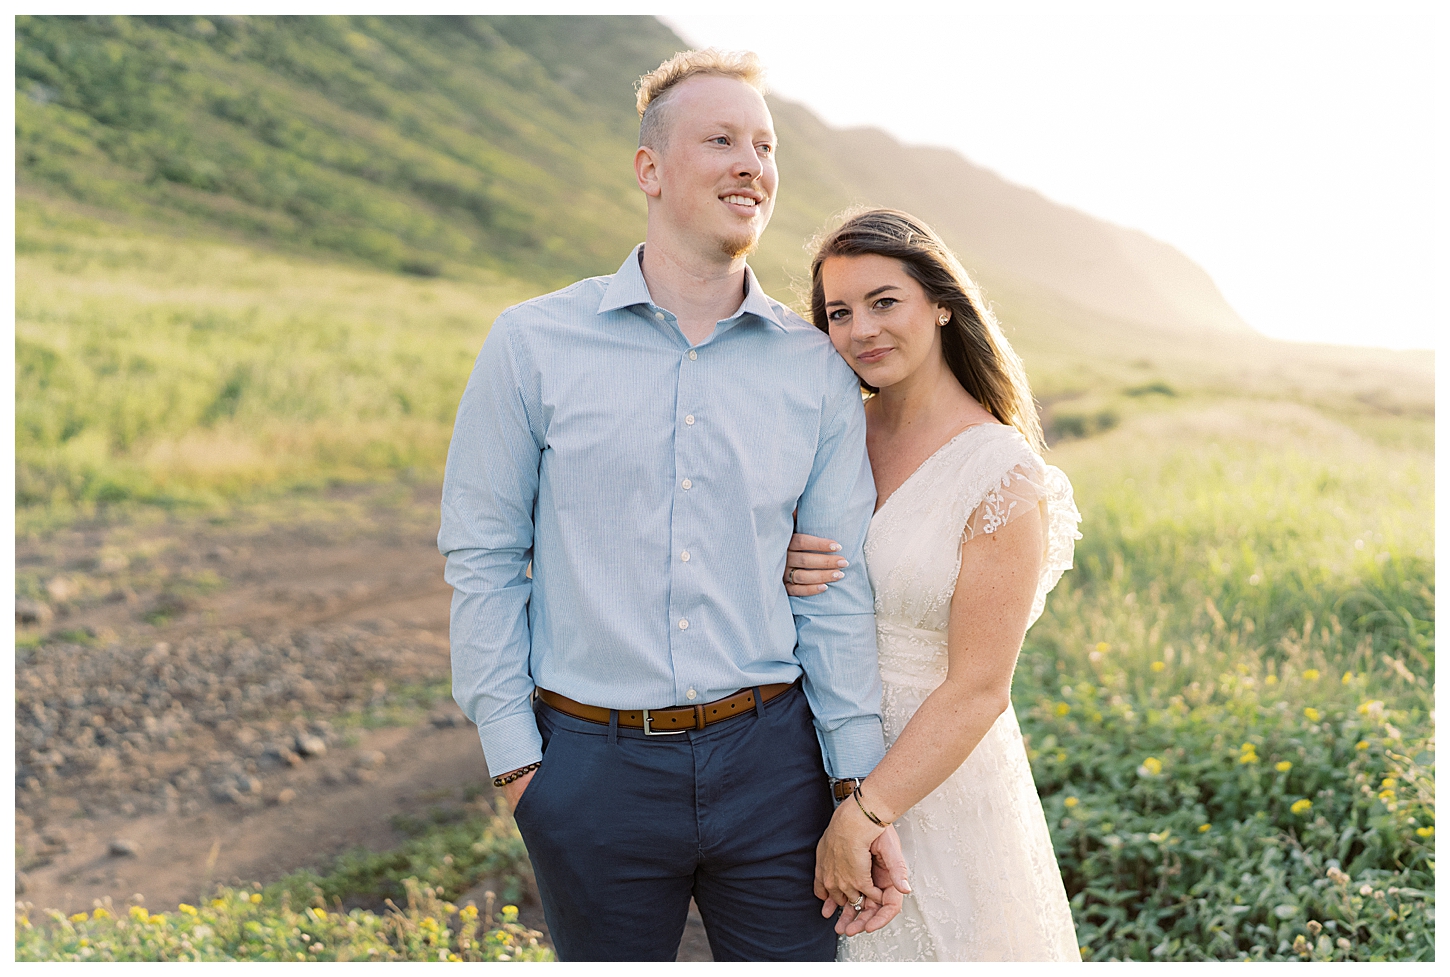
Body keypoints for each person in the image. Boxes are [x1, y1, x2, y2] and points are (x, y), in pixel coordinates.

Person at [438, 50, 906, 962]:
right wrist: (517, 762)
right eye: (722, 140)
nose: (751, 165)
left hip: (776, 765)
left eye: (765, 146)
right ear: (649, 169)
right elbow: (483, 553)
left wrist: (852, 779)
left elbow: (834, 585)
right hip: (588, 766)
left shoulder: (815, 367)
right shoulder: (532, 343)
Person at [786, 209, 1083, 961]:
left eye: (885, 301)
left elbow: (980, 685)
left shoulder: (999, 472)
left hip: (931, 783)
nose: (861, 330)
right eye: (840, 313)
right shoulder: (830, 432)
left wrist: (863, 814)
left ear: (942, 303)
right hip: (804, 753)